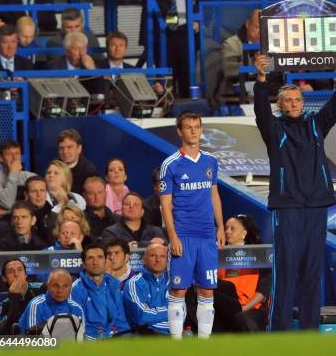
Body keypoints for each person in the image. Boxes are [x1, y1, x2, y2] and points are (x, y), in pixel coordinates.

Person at [253, 53, 336, 331]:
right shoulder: (273, 129)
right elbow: (261, 111)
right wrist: (261, 79)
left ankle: (310, 333)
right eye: (288, 100)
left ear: (303, 102)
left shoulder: (315, 125)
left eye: (298, 100)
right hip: (288, 207)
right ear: (280, 104)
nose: (294, 104)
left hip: (316, 207)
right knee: (285, 273)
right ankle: (280, 333)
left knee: (312, 274)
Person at [159, 111, 226, 339]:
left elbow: (214, 195)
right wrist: (173, 237)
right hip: (183, 235)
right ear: (179, 131)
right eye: (188, 127)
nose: (193, 131)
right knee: (179, 290)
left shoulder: (210, 161)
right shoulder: (170, 165)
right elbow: (165, 206)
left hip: (207, 236)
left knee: (207, 290)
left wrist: (220, 226)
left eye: (197, 126)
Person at [127, 0, 203, 98]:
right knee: (165, 79)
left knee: (187, 76)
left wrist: (197, 19)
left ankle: (188, 107)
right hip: (163, 35)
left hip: (186, 33)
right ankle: (167, 107)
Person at [194, 214, 270, 332]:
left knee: (241, 317)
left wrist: (245, 308)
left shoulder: (260, 256)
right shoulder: (217, 253)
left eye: (232, 228)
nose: (227, 231)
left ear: (244, 233)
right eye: (226, 228)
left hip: (250, 308)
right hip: (224, 302)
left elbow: (263, 291)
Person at [70, 244, 131, 339]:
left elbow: (121, 322)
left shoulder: (115, 286)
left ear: (106, 261)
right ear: (84, 264)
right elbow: (78, 327)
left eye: (100, 257)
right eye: (90, 258)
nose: (95, 262)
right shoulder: (75, 289)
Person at [18, 268, 84, 336]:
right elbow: (33, 341)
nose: (60, 291)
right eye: (56, 286)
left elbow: (82, 340)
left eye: (65, 286)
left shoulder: (77, 309)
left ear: (71, 288)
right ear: (48, 286)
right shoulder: (36, 305)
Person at [124, 243, 171, 334]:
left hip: (175, 336)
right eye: (153, 256)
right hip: (146, 336)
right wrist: (171, 311)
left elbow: (182, 313)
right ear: (144, 260)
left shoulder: (173, 282)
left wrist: (150, 312)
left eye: (162, 256)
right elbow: (141, 317)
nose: (158, 260)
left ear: (167, 260)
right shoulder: (134, 283)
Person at [219, 9, 261, 96]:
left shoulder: (272, 45)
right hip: (237, 95)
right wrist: (254, 62)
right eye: (257, 27)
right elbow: (229, 71)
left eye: (264, 28)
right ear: (248, 24)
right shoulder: (231, 44)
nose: (260, 32)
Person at [102, 192, 166, 248]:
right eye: (127, 204)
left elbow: (166, 247)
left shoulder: (155, 231)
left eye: (136, 205)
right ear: (121, 210)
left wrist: (137, 245)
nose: (131, 206)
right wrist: (149, 244)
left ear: (142, 212)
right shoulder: (110, 233)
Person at [0, 257, 45, 335]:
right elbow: (5, 332)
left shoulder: (41, 289)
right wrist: (15, 298)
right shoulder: (6, 303)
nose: (16, 274)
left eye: (20, 270)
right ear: (4, 278)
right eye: (11, 272)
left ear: (25, 274)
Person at [0, 140, 35, 211]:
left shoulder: (30, 177)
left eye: (17, 153)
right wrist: (14, 173)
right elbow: (7, 203)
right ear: (1, 158)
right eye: (9, 154)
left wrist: (7, 212)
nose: (14, 158)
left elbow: (40, 203)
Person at [57, 129, 97, 195]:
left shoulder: (89, 172)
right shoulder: (53, 168)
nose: (65, 152)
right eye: (61, 148)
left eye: (69, 147)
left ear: (79, 148)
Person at [24, 175, 56, 246]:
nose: (39, 195)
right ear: (26, 194)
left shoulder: (56, 217)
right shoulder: (19, 216)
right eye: (34, 191)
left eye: (42, 190)